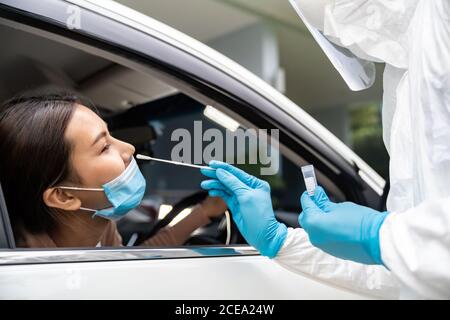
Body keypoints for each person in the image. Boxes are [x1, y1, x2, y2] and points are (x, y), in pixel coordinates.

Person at [201, 0, 450, 299]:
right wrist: (281, 241)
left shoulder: (439, 24)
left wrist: (377, 234)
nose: (336, 26)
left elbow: (414, 251)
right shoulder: (411, 65)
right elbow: (405, 270)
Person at [0, 90, 226, 248]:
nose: (129, 148)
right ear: (64, 195)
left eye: (111, 135)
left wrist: (205, 211)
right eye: (104, 147)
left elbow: (132, 264)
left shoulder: (99, 226)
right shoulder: (37, 274)